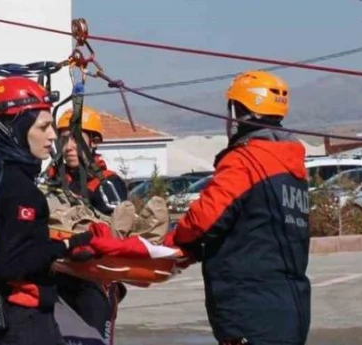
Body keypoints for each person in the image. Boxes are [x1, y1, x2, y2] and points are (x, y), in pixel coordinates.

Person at [0, 76, 101, 345]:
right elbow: (16, 264)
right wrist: (68, 244)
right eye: (44, 126)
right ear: (17, 130)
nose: (51, 136)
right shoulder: (23, 191)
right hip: (28, 324)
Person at [162, 70, 311, 345]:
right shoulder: (293, 167)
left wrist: (173, 242)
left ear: (238, 111)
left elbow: (204, 218)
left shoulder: (246, 161)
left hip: (249, 306)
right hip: (292, 303)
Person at [45, 106, 130, 340]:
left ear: (93, 141)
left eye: (76, 138)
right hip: (59, 279)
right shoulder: (51, 182)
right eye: (64, 140)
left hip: (94, 283)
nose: (69, 146)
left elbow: (117, 233)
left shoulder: (107, 184)